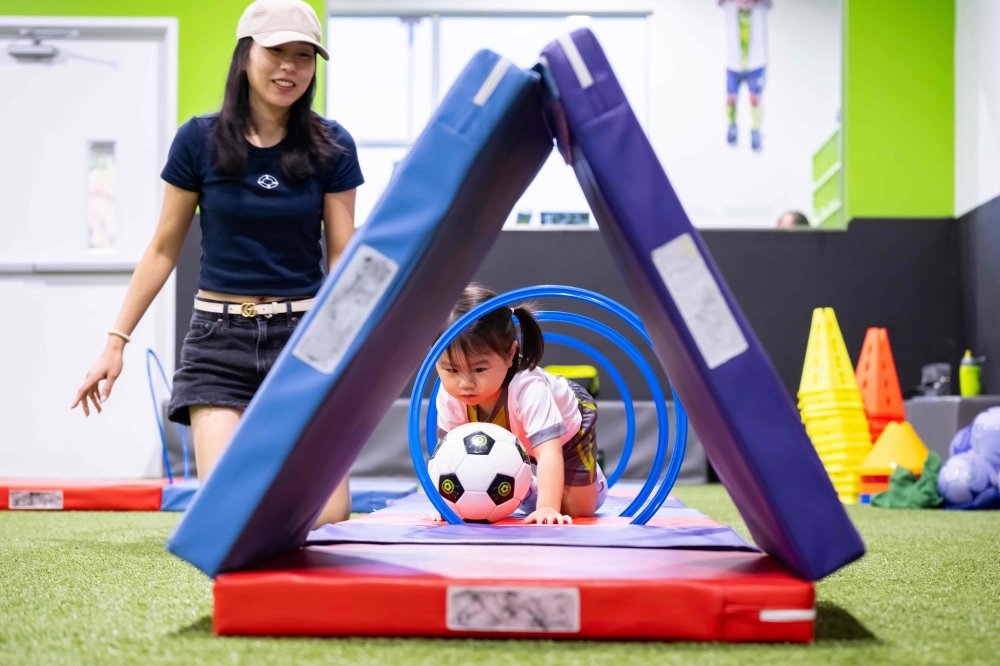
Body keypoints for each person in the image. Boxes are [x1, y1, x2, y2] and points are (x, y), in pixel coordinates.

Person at [71, 0, 363, 527]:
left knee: (331, 514)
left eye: (304, 56)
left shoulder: (332, 145)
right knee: (229, 507)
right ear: (246, 53)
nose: (290, 68)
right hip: (218, 342)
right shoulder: (198, 140)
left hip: (303, 338)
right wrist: (115, 341)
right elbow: (162, 248)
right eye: (277, 52)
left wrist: (348, 341)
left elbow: (345, 253)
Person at [434, 285, 608, 525]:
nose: (465, 383)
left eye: (479, 369)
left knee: (578, 510)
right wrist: (445, 503)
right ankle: (525, 484)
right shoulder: (448, 394)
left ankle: (591, 481)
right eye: (451, 370)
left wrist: (547, 508)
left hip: (567, 431)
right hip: (514, 438)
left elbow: (548, 451)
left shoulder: (529, 388)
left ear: (509, 354)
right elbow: (447, 454)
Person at [720, 0, 772, 151]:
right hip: (733, 63)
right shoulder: (729, 7)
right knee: (731, 98)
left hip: (755, 64)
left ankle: (755, 131)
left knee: (755, 99)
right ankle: (731, 126)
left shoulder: (760, 7)